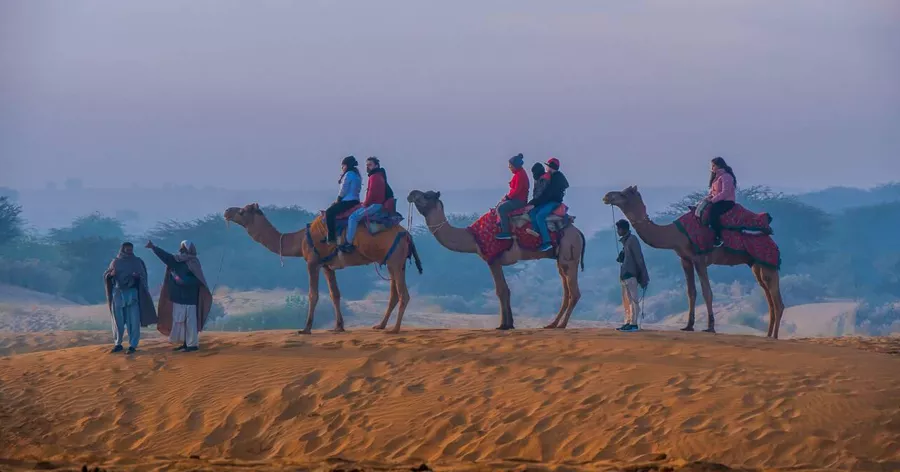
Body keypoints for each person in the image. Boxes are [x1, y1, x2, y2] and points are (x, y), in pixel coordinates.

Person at [148, 239, 213, 352]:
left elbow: (197, 280)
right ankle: (185, 343)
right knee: (179, 322)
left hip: (191, 298)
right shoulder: (176, 260)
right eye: (181, 248)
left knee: (191, 323)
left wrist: (181, 280)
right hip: (178, 297)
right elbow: (165, 257)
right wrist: (153, 247)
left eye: (184, 248)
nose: (182, 250)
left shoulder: (194, 262)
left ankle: (192, 345)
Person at [103, 242, 157, 354]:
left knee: (134, 321)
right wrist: (110, 275)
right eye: (127, 250)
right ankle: (118, 344)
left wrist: (137, 278)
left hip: (132, 294)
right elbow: (107, 276)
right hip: (118, 294)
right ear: (122, 250)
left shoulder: (137, 262)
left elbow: (143, 277)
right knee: (117, 321)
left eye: (131, 250)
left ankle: (133, 345)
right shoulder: (115, 262)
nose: (129, 252)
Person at [342, 157, 395, 252]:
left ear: (376, 166)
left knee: (353, 217)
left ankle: (348, 243)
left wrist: (364, 204)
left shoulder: (374, 177)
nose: (367, 167)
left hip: (375, 205)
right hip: (377, 204)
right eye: (367, 165)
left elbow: (371, 194)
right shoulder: (379, 175)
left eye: (370, 165)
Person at [614, 220, 649, 332]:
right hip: (625, 275)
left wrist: (643, 276)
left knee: (633, 300)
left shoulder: (632, 240)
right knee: (627, 301)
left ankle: (634, 324)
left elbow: (639, 258)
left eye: (619, 229)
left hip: (631, 274)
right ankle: (628, 322)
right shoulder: (626, 242)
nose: (618, 231)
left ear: (623, 229)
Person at [528, 157, 569, 252]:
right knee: (532, 212)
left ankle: (547, 242)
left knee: (540, 216)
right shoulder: (552, 176)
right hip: (549, 201)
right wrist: (533, 204)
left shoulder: (556, 178)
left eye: (547, 166)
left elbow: (548, 194)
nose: (546, 169)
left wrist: (533, 203)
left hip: (554, 202)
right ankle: (537, 231)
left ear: (551, 167)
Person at [323, 156, 362, 244]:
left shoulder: (349, 174)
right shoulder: (357, 175)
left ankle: (332, 238)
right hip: (356, 200)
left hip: (348, 201)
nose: (342, 168)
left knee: (329, 212)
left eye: (343, 166)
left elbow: (343, 189)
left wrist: (338, 199)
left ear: (347, 165)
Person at [495, 153, 530, 240]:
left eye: (510, 165)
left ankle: (506, 232)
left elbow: (516, 190)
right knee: (500, 205)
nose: (509, 167)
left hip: (519, 201)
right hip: (517, 199)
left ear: (515, 166)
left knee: (501, 208)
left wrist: (507, 197)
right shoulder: (519, 173)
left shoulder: (520, 175)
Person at [706, 156, 737, 247]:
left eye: (713, 165)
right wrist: (707, 199)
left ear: (719, 165)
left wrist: (713, 200)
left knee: (713, 213)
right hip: (718, 201)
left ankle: (718, 237)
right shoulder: (716, 178)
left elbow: (725, 192)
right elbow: (713, 192)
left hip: (726, 202)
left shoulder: (726, 176)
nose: (712, 168)